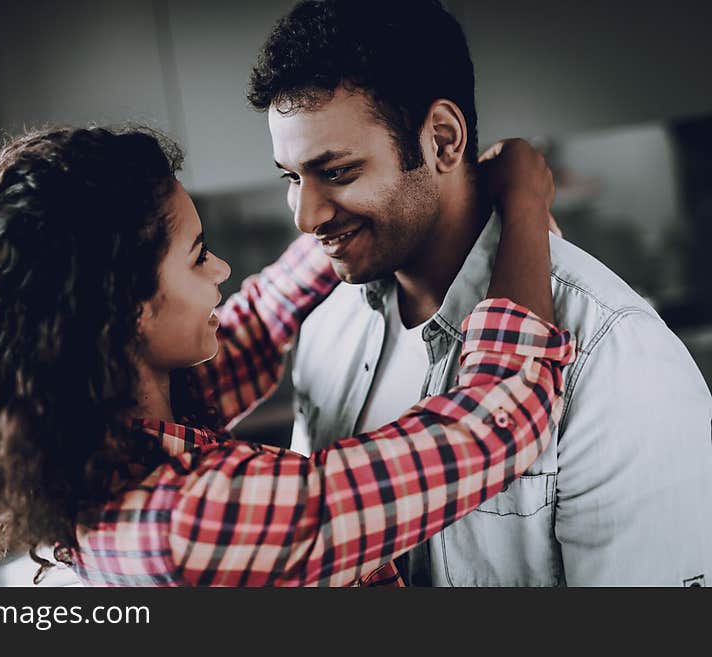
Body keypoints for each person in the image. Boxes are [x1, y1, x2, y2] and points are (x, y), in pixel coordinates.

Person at [0, 124, 571, 587]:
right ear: (124, 308)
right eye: (196, 256)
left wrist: (360, 214)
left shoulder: (97, 442)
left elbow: (252, 323)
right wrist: (523, 200)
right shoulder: (186, 522)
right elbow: (497, 424)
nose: (219, 268)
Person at [248, 0, 712, 586]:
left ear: (443, 140)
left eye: (336, 172)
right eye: (291, 178)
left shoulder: (612, 353)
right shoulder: (325, 334)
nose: (304, 215)